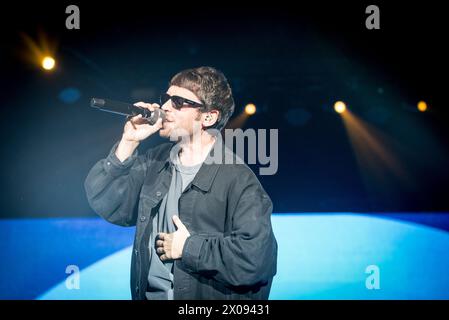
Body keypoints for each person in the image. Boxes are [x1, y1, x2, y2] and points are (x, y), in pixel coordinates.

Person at [84, 66, 277, 300]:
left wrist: (187, 248)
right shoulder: (155, 161)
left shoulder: (238, 179)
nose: (165, 107)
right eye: (165, 99)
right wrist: (128, 141)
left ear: (208, 117)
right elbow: (109, 204)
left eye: (177, 101)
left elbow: (255, 261)